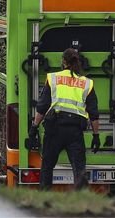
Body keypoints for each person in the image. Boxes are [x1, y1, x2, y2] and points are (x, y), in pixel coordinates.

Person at [30, 48, 100, 190]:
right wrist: (96, 135)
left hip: (54, 128)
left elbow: (42, 107)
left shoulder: (53, 78)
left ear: (63, 61)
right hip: (75, 132)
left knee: (47, 166)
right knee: (79, 169)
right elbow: (93, 113)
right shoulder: (87, 83)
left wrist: (34, 127)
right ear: (77, 62)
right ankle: (81, 203)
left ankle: (44, 198)